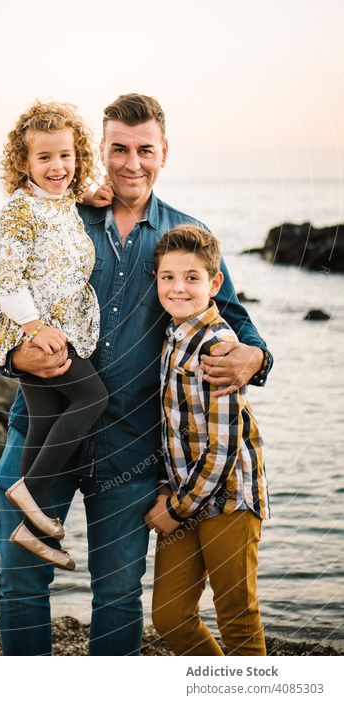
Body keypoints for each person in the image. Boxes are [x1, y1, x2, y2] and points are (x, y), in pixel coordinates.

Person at [0, 93, 273, 656]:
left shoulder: (186, 236)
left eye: (144, 149)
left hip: (131, 450)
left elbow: (239, 323)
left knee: (118, 596)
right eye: (117, 149)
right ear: (100, 149)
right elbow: (2, 295)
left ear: (164, 151)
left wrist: (256, 358)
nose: (130, 163)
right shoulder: (61, 218)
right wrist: (15, 356)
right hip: (40, 431)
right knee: (21, 584)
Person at [0, 101, 108, 571]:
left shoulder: (64, 202)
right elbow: (4, 282)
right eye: (45, 158)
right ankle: (25, 494)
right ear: (25, 163)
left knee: (44, 419)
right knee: (92, 400)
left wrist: (86, 196)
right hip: (31, 332)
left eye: (66, 156)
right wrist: (35, 328)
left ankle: (31, 532)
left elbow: (67, 204)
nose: (58, 167)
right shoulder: (19, 210)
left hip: (58, 327)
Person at [144, 224, 269, 655]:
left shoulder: (218, 346)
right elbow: (172, 428)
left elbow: (224, 448)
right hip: (185, 496)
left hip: (230, 498)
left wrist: (176, 510)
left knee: (236, 614)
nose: (178, 288)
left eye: (192, 278)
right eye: (168, 277)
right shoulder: (172, 335)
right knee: (171, 615)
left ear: (215, 283)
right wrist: (167, 491)